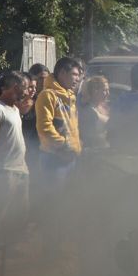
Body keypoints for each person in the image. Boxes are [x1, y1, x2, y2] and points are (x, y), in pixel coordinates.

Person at [0, 71, 32, 244]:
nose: (24, 92)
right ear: (12, 88)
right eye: (22, 88)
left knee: (20, 212)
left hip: (20, 169)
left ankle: (9, 248)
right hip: (5, 170)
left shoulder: (15, 109)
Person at [35, 56, 82, 185]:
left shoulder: (70, 96)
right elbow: (44, 127)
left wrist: (76, 146)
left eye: (79, 76)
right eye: (74, 74)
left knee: (67, 200)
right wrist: (64, 146)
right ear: (62, 73)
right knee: (54, 200)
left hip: (70, 157)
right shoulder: (48, 95)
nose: (77, 79)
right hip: (54, 158)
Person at [78, 75, 110, 149]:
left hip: (102, 150)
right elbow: (111, 123)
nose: (108, 93)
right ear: (95, 91)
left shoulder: (101, 106)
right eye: (104, 90)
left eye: (108, 90)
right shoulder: (89, 110)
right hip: (92, 153)